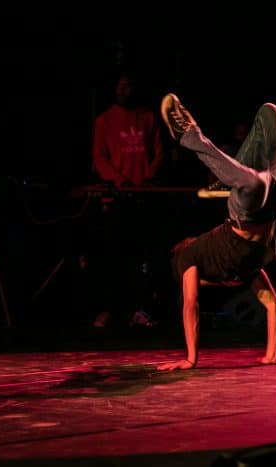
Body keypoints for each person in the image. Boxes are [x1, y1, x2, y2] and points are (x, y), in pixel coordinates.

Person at [156, 93, 276, 370]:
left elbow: (191, 305)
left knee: (255, 182)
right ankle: (228, 180)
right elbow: (273, 306)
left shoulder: (204, 260)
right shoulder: (238, 268)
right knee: (269, 112)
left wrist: (191, 359)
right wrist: (271, 355)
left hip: (245, 213)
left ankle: (190, 137)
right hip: (275, 203)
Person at [90, 70, 164, 328]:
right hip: (117, 197)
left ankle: (140, 310)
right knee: (112, 256)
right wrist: (120, 181)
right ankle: (109, 310)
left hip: (144, 198)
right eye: (120, 86)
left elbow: (158, 153)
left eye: (128, 86)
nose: (124, 91)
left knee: (143, 258)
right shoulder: (104, 120)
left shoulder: (149, 117)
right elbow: (99, 158)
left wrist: (144, 180)